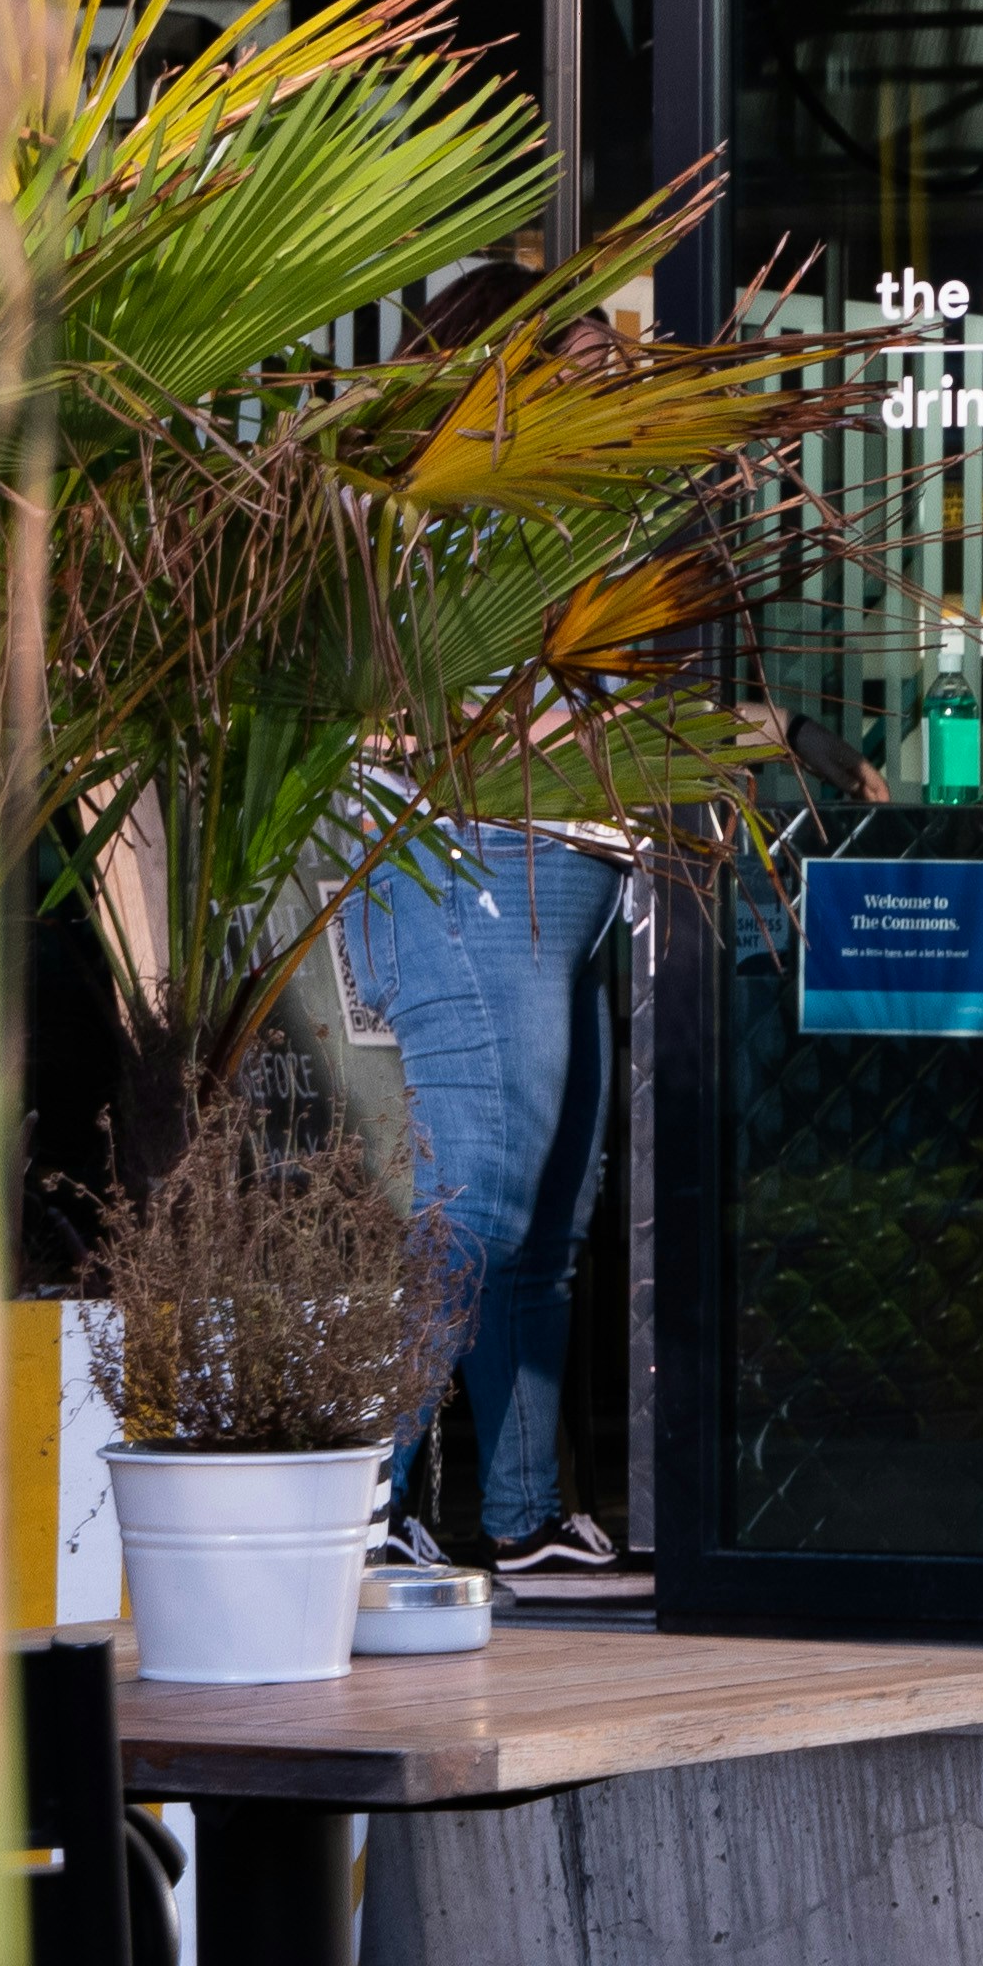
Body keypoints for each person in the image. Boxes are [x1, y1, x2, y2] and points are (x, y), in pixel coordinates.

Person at [346, 256, 634, 1583]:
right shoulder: (457, 507)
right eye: (585, 344)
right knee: (480, 1199)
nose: (615, 359)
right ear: (505, 364)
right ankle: (360, 1496)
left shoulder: (576, 508)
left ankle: (519, 1515)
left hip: (567, 872)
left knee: (545, 1221)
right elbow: (398, 699)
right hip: (473, 864)